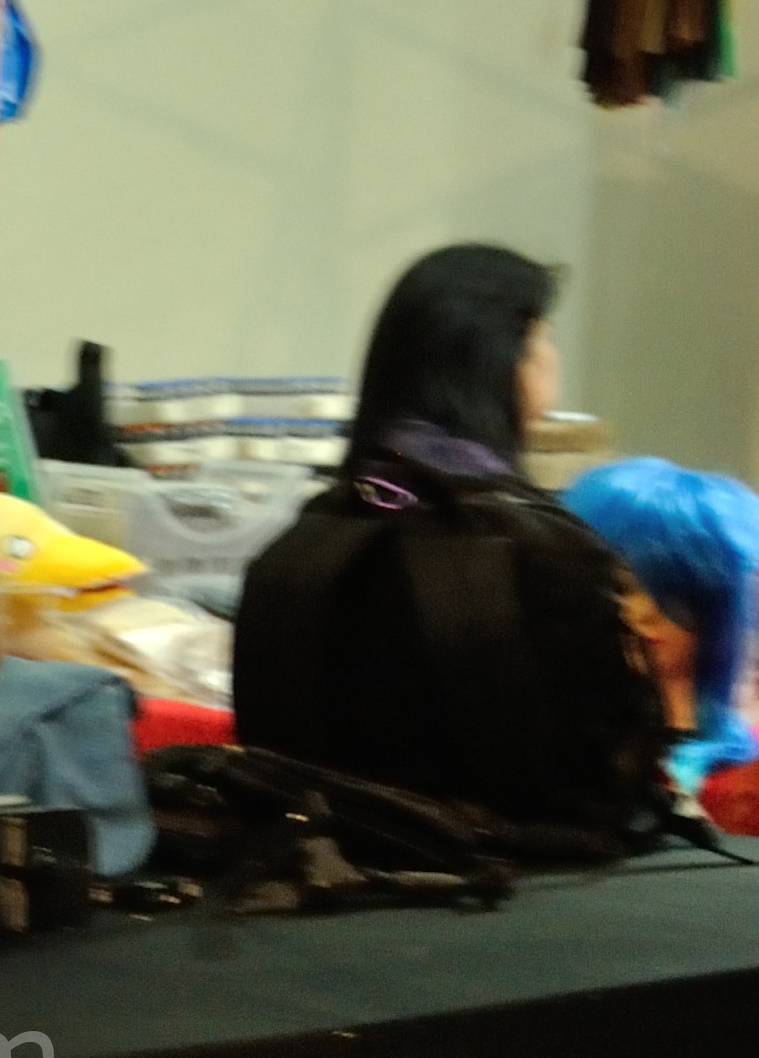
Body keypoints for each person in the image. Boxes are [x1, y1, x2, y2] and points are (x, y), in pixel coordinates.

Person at [232, 246, 667, 843]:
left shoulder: (305, 535)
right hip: (514, 874)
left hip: (315, 860)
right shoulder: (545, 553)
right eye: (544, 339)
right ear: (507, 359)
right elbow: (607, 782)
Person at [563, 457, 759, 797]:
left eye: (672, 595)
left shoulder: (743, 784)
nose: (644, 613)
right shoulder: (560, 750)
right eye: (621, 588)